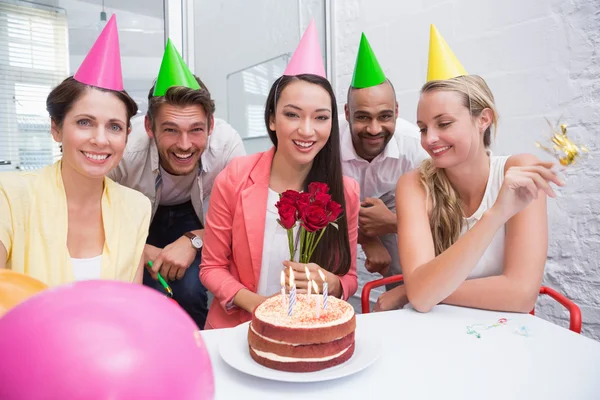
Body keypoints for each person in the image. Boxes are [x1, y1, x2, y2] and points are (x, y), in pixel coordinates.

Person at [374, 25, 563, 313]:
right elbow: (423, 296)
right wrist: (496, 214)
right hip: (439, 331)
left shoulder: (519, 172)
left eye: (444, 123)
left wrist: (417, 289)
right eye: (423, 128)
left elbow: (522, 295)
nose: (429, 139)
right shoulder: (414, 185)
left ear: (483, 119)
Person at [200, 21, 359, 329]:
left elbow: (348, 278)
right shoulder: (236, 177)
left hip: (310, 329)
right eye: (292, 114)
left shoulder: (345, 191)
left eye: (321, 117)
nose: (307, 130)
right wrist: (259, 306)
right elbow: (211, 267)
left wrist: (332, 283)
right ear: (272, 119)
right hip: (238, 329)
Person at [0, 16, 150, 285]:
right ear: (56, 128)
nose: (100, 139)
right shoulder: (10, 197)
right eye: (84, 122)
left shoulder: (136, 207)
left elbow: (131, 305)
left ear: (127, 136)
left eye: (114, 127)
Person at [108, 40, 245, 329]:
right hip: (136, 224)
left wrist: (194, 239)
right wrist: (140, 248)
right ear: (148, 127)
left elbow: (243, 216)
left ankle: (200, 355)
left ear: (210, 125)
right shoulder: (125, 152)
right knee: (155, 297)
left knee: (193, 290)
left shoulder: (226, 144)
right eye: (170, 130)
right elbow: (93, 212)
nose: (184, 145)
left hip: (195, 219)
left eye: (196, 130)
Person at [341, 33, 427, 288]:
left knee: (404, 273)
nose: (374, 128)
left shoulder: (415, 145)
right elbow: (321, 204)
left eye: (385, 116)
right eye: (363, 117)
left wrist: (392, 224)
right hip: (338, 207)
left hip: (396, 204)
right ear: (347, 113)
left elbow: (434, 211)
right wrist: (367, 239)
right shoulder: (327, 145)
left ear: (397, 112)